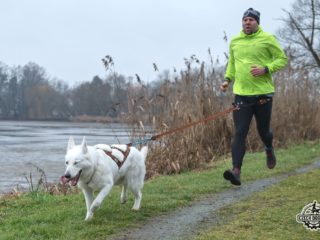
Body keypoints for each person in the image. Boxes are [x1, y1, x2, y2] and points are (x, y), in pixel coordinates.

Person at [220, 8, 288, 186]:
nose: (247, 22)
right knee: (240, 132)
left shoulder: (267, 39)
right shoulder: (235, 41)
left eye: (251, 20)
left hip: (263, 95)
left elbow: (282, 59)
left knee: (263, 130)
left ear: (257, 22)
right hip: (242, 94)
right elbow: (232, 64)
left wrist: (265, 69)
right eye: (245, 20)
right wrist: (227, 79)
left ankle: (268, 148)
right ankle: (236, 171)